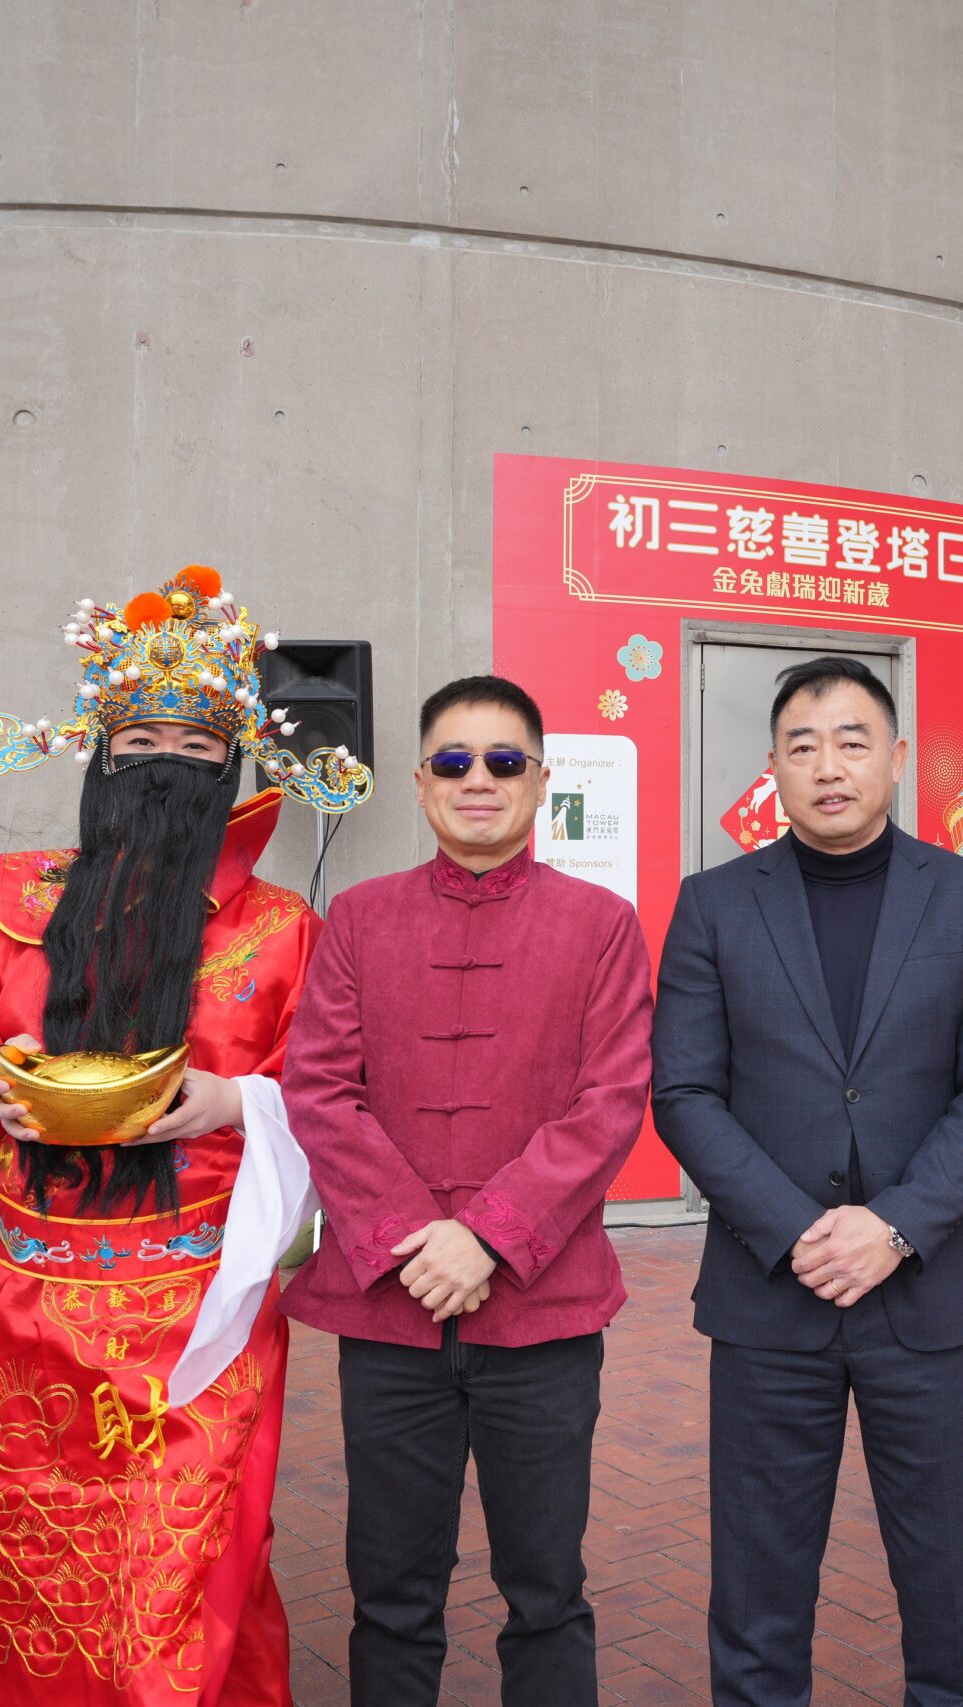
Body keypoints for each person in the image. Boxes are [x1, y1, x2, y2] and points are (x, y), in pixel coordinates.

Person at [0, 564, 372, 1705]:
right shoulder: (9, 906)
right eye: (139, 736)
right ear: (98, 758)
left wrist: (242, 1103)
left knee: (180, 1567)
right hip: (20, 1308)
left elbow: (343, 1083)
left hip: (197, 1314)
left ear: (231, 769)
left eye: (197, 748)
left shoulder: (284, 933)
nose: (165, 765)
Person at [652, 655, 963, 1707]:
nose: (829, 765)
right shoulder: (715, 905)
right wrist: (798, 1228)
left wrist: (896, 1227)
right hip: (772, 1296)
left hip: (931, 1297)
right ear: (771, 764)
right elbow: (684, 1092)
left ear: (898, 759)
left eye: (853, 741)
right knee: (757, 1609)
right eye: (803, 744)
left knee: (954, 1608)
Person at [281, 674, 653, 1707]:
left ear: (540, 780)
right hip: (392, 1310)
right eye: (453, 762)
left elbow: (611, 1100)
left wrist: (484, 1238)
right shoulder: (356, 918)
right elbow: (319, 1089)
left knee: (547, 1586)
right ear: (419, 781)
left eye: (502, 762)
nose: (476, 781)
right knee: (392, 1589)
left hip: (543, 1311)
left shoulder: (599, 924)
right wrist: (415, 1237)